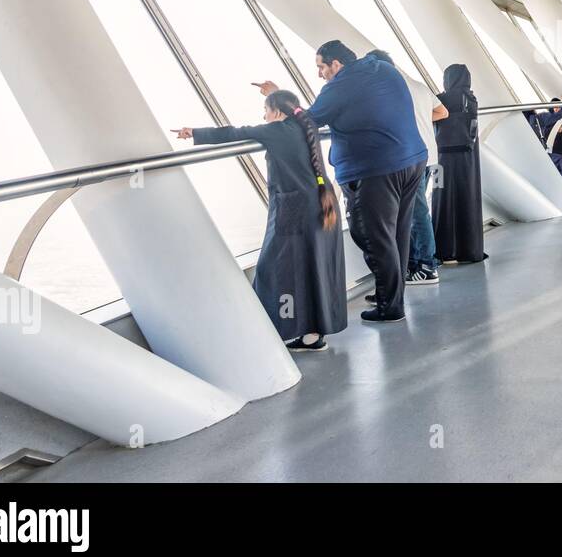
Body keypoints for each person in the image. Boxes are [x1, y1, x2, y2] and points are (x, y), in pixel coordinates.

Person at [258, 40, 426, 323]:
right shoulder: (384, 69)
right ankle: (392, 293)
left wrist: (277, 97)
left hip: (376, 169)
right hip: (411, 160)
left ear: (336, 64)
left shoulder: (341, 85)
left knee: (372, 236)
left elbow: (306, 121)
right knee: (397, 232)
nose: (319, 74)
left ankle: (390, 305)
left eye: (321, 67)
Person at [175, 89, 346, 352]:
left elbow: (234, 133)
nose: (263, 116)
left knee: (275, 268)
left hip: (294, 208)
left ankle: (286, 329)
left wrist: (194, 133)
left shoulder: (275, 132)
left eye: (265, 110)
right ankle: (313, 333)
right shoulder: (306, 123)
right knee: (315, 265)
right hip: (324, 203)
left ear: (277, 112)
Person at [367, 50, 447, 287]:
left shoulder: (388, 89)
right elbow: (443, 112)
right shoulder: (417, 85)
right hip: (428, 154)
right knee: (413, 211)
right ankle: (418, 261)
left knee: (417, 212)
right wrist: (420, 118)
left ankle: (427, 266)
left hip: (409, 156)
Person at [432, 64, 485, 263]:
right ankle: (469, 249)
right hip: (468, 157)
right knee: (467, 196)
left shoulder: (442, 99)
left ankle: (444, 250)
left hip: (443, 157)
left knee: (442, 198)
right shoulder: (471, 98)